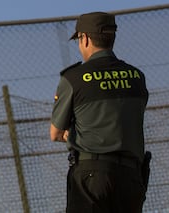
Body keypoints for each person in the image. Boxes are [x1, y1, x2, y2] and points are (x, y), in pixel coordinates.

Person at [50, 12, 150, 213]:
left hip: (91, 178)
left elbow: (56, 133)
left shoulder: (74, 79)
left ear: (85, 38)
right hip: (131, 177)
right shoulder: (137, 77)